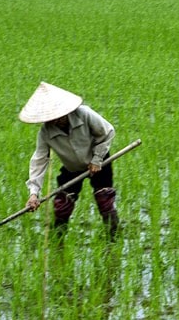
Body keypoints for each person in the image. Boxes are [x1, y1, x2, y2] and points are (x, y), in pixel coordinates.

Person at [19, 82, 119, 241]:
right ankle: (57, 241)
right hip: (72, 168)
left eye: (56, 117)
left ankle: (113, 239)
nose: (54, 121)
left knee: (104, 199)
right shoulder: (46, 132)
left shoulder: (84, 114)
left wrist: (97, 159)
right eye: (49, 118)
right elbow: (39, 160)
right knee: (62, 204)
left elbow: (107, 132)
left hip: (99, 163)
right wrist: (33, 194)